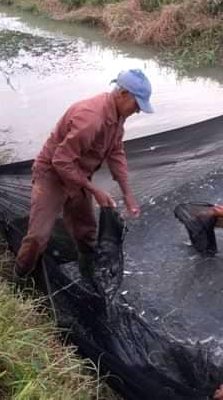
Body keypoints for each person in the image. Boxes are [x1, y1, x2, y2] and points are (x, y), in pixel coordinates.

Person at [13, 70, 154, 278]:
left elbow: (116, 152)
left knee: (86, 232)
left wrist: (127, 193)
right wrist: (94, 190)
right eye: (137, 104)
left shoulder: (118, 115)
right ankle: (19, 277)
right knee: (38, 236)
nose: (138, 111)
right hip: (51, 175)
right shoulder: (91, 119)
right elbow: (60, 160)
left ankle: (88, 275)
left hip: (78, 176)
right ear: (123, 94)